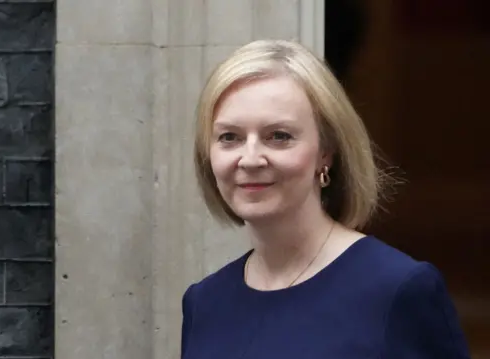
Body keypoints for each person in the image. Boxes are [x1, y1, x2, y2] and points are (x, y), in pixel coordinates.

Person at [182, 39, 470, 358]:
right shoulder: (204, 303)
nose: (250, 159)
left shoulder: (398, 288)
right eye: (229, 137)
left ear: (326, 153)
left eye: (278, 136)